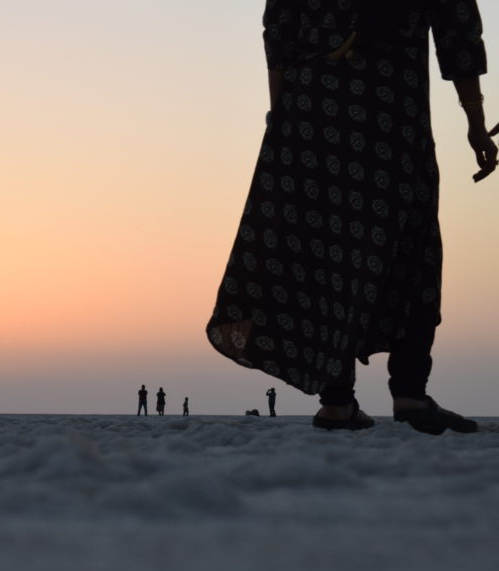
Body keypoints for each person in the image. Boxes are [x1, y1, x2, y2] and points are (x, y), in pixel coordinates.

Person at [207, 0, 496, 434]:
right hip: (390, 110)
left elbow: (279, 31)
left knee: (323, 251)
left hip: (310, 110)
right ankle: (410, 393)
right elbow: (457, 30)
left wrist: (282, 117)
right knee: (412, 248)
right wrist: (475, 120)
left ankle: (337, 401)